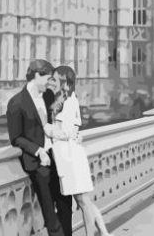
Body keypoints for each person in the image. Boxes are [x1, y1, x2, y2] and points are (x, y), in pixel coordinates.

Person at [6, 59, 72, 236]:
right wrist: (38, 150)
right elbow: (16, 138)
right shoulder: (16, 103)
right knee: (50, 214)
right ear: (36, 76)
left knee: (66, 206)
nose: (50, 83)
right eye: (48, 78)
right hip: (38, 163)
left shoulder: (48, 96)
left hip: (56, 157)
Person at [47, 65, 113, 236]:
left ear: (66, 84)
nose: (52, 82)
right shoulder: (67, 100)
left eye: (56, 79)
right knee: (85, 201)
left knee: (83, 202)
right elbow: (74, 131)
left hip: (70, 157)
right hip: (70, 155)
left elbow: (66, 133)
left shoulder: (69, 102)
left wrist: (47, 128)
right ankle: (105, 233)